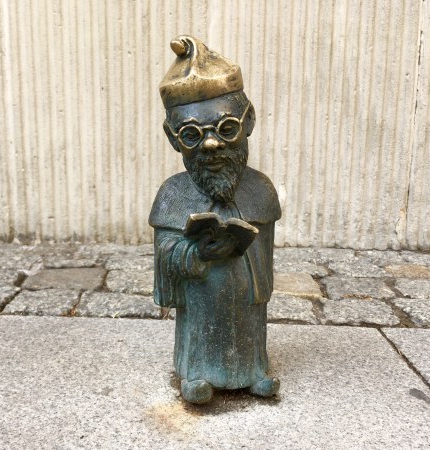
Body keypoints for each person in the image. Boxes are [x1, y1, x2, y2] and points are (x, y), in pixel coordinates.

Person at [149, 35, 281, 404]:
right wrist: (196, 253)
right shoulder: (173, 194)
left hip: (245, 296)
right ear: (173, 138)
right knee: (200, 322)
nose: (211, 145)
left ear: (248, 120)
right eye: (192, 135)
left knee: (249, 318)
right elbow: (164, 255)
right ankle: (195, 373)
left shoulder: (260, 190)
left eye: (226, 128)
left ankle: (254, 370)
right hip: (200, 292)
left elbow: (265, 260)